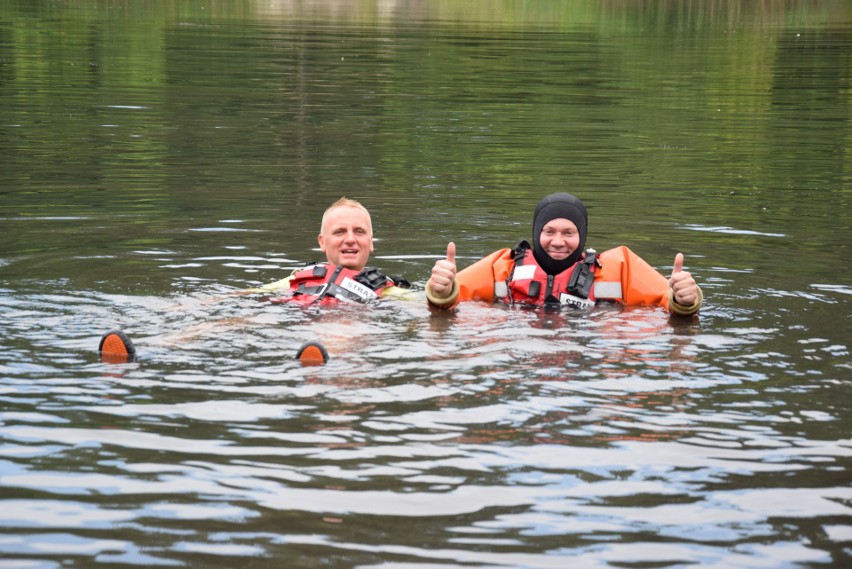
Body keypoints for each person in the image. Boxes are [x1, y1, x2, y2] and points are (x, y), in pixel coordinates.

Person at [425, 192, 703, 316]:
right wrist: (440, 288)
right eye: (549, 231)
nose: (558, 241)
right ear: (536, 234)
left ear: (582, 237)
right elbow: (445, 299)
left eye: (569, 233)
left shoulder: (622, 268)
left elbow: (672, 304)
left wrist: (685, 298)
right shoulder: (501, 267)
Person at [249, 197, 411, 304]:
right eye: (339, 232)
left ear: (370, 242)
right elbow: (249, 294)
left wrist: (435, 292)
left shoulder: (385, 289)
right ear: (322, 242)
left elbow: (426, 302)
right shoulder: (299, 278)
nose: (349, 239)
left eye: (359, 231)